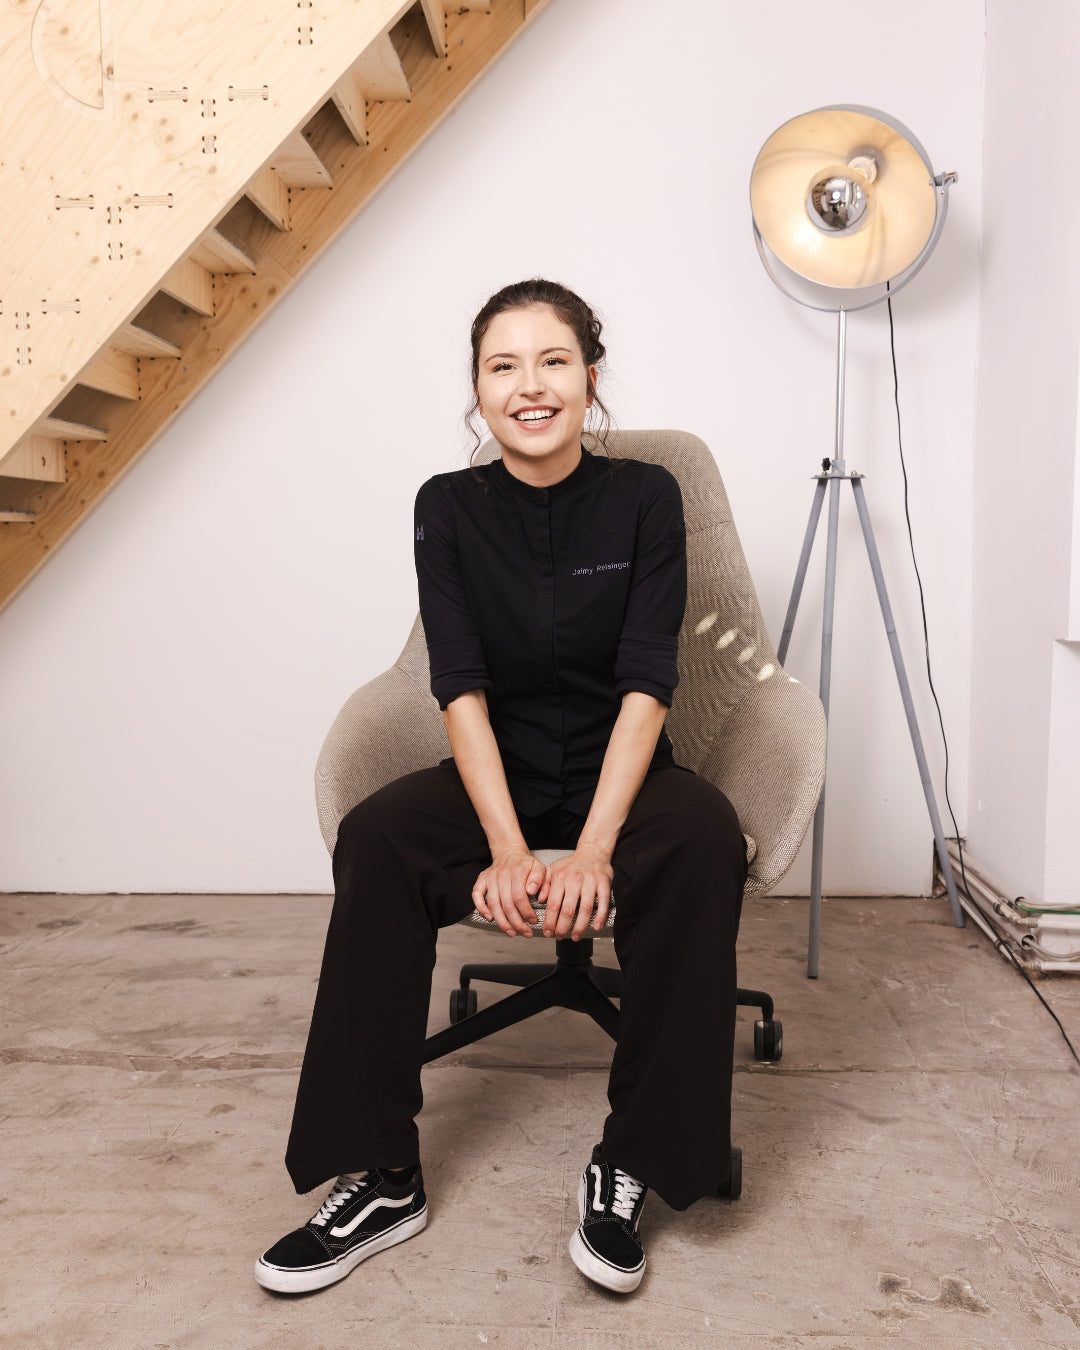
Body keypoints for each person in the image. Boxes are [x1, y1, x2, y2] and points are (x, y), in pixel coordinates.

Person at [254, 279, 748, 1297]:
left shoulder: (648, 497)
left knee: (703, 837)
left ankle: (633, 1163)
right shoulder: (447, 507)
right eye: (503, 365)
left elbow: (649, 683)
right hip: (499, 777)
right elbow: (460, 687)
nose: (530, 386)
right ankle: (382, 1176)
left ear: (591, 379)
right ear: (477, 389)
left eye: (553, 361)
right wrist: (510, 849)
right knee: (379, 837)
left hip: (623, 778)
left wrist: (595, 849)